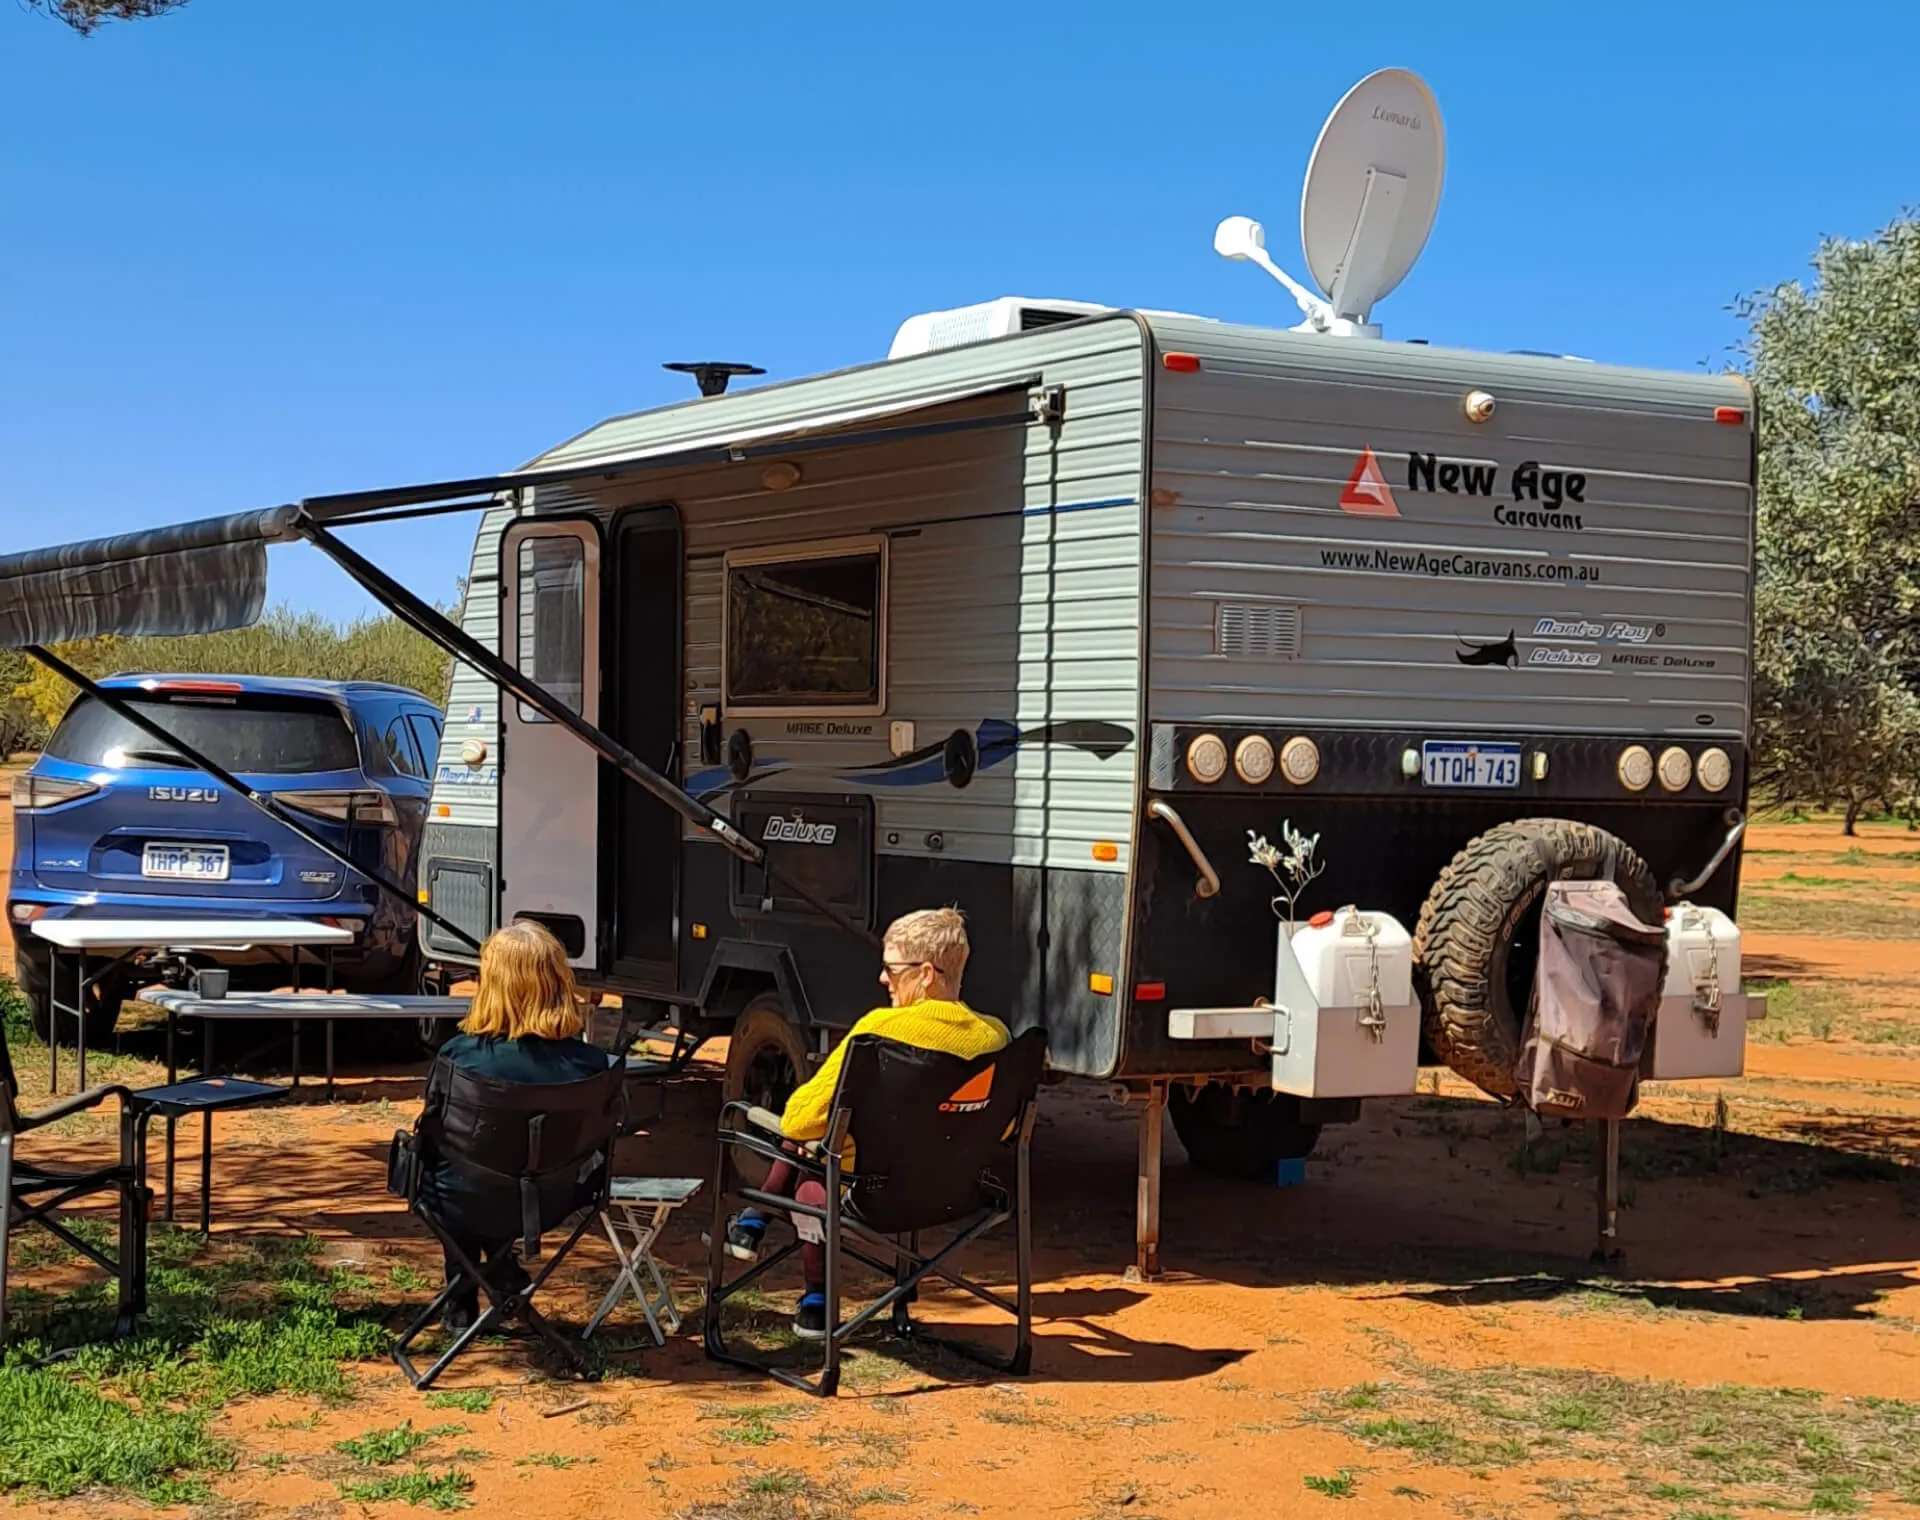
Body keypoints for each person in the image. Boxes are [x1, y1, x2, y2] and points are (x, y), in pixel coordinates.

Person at [716, 906, 1009, 1339]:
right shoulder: (995, 1037)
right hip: (956, 1193)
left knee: (812, 1169)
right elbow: (1002, 1129)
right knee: (822, 1145)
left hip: (871, 1196)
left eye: (891, 968)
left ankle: (808, 1290)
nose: (883, 978)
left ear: (926, 973)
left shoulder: (880, 1030)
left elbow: (798, 1119)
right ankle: (753, 1226)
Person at [421, 920, 614, 1332]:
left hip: (462, 1198)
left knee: (464, 1173)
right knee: (500, 1173)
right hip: (552, 1201)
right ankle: (501, 1271)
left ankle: (463, 1294)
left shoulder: (459, 1056)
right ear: (559, 980)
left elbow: (433, 1128)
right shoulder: (591, 1064)